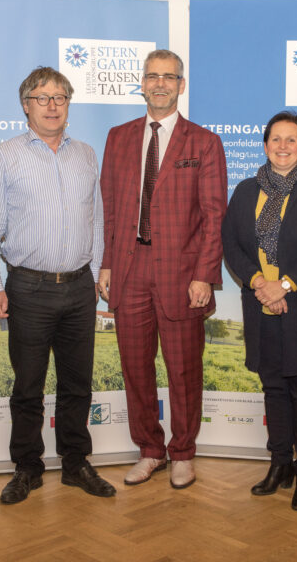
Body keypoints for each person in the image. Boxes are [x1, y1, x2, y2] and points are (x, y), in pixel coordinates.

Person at [0, 67, 115, 504]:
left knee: (77, 386)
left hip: (78, 290)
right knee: (29, 386)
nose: (52, 105)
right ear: (26, 105)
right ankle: (27, 468)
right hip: (28, 290)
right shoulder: (5, 156)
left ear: (68, 105)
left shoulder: (86, 155)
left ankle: (75, 464)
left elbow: (96, 220)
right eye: (42, 97)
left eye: (60, 97)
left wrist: (93, 279)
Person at [99, 50, 227, 489]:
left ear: (181, 85)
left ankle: (183, 453)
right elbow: (111, 209)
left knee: (183, 368)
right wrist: (107, 263)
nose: (160, 84)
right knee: (136, 367)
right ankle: (149, 450)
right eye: (152, 76)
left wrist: (204, 276)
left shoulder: (204, 142)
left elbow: (214, 217)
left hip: (182, 273)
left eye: (168, 77)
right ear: (141, 82)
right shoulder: (118, 138)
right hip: (130, 268)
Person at [221, 111, 297, 511]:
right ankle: (279, 465)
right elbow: (232, 246)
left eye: (292, 140)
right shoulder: (244, 191)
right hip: (261, 308)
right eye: (276, 139)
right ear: (265, 144)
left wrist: (284, 285)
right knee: (273, 389)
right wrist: (259, 283)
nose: (284, 146)